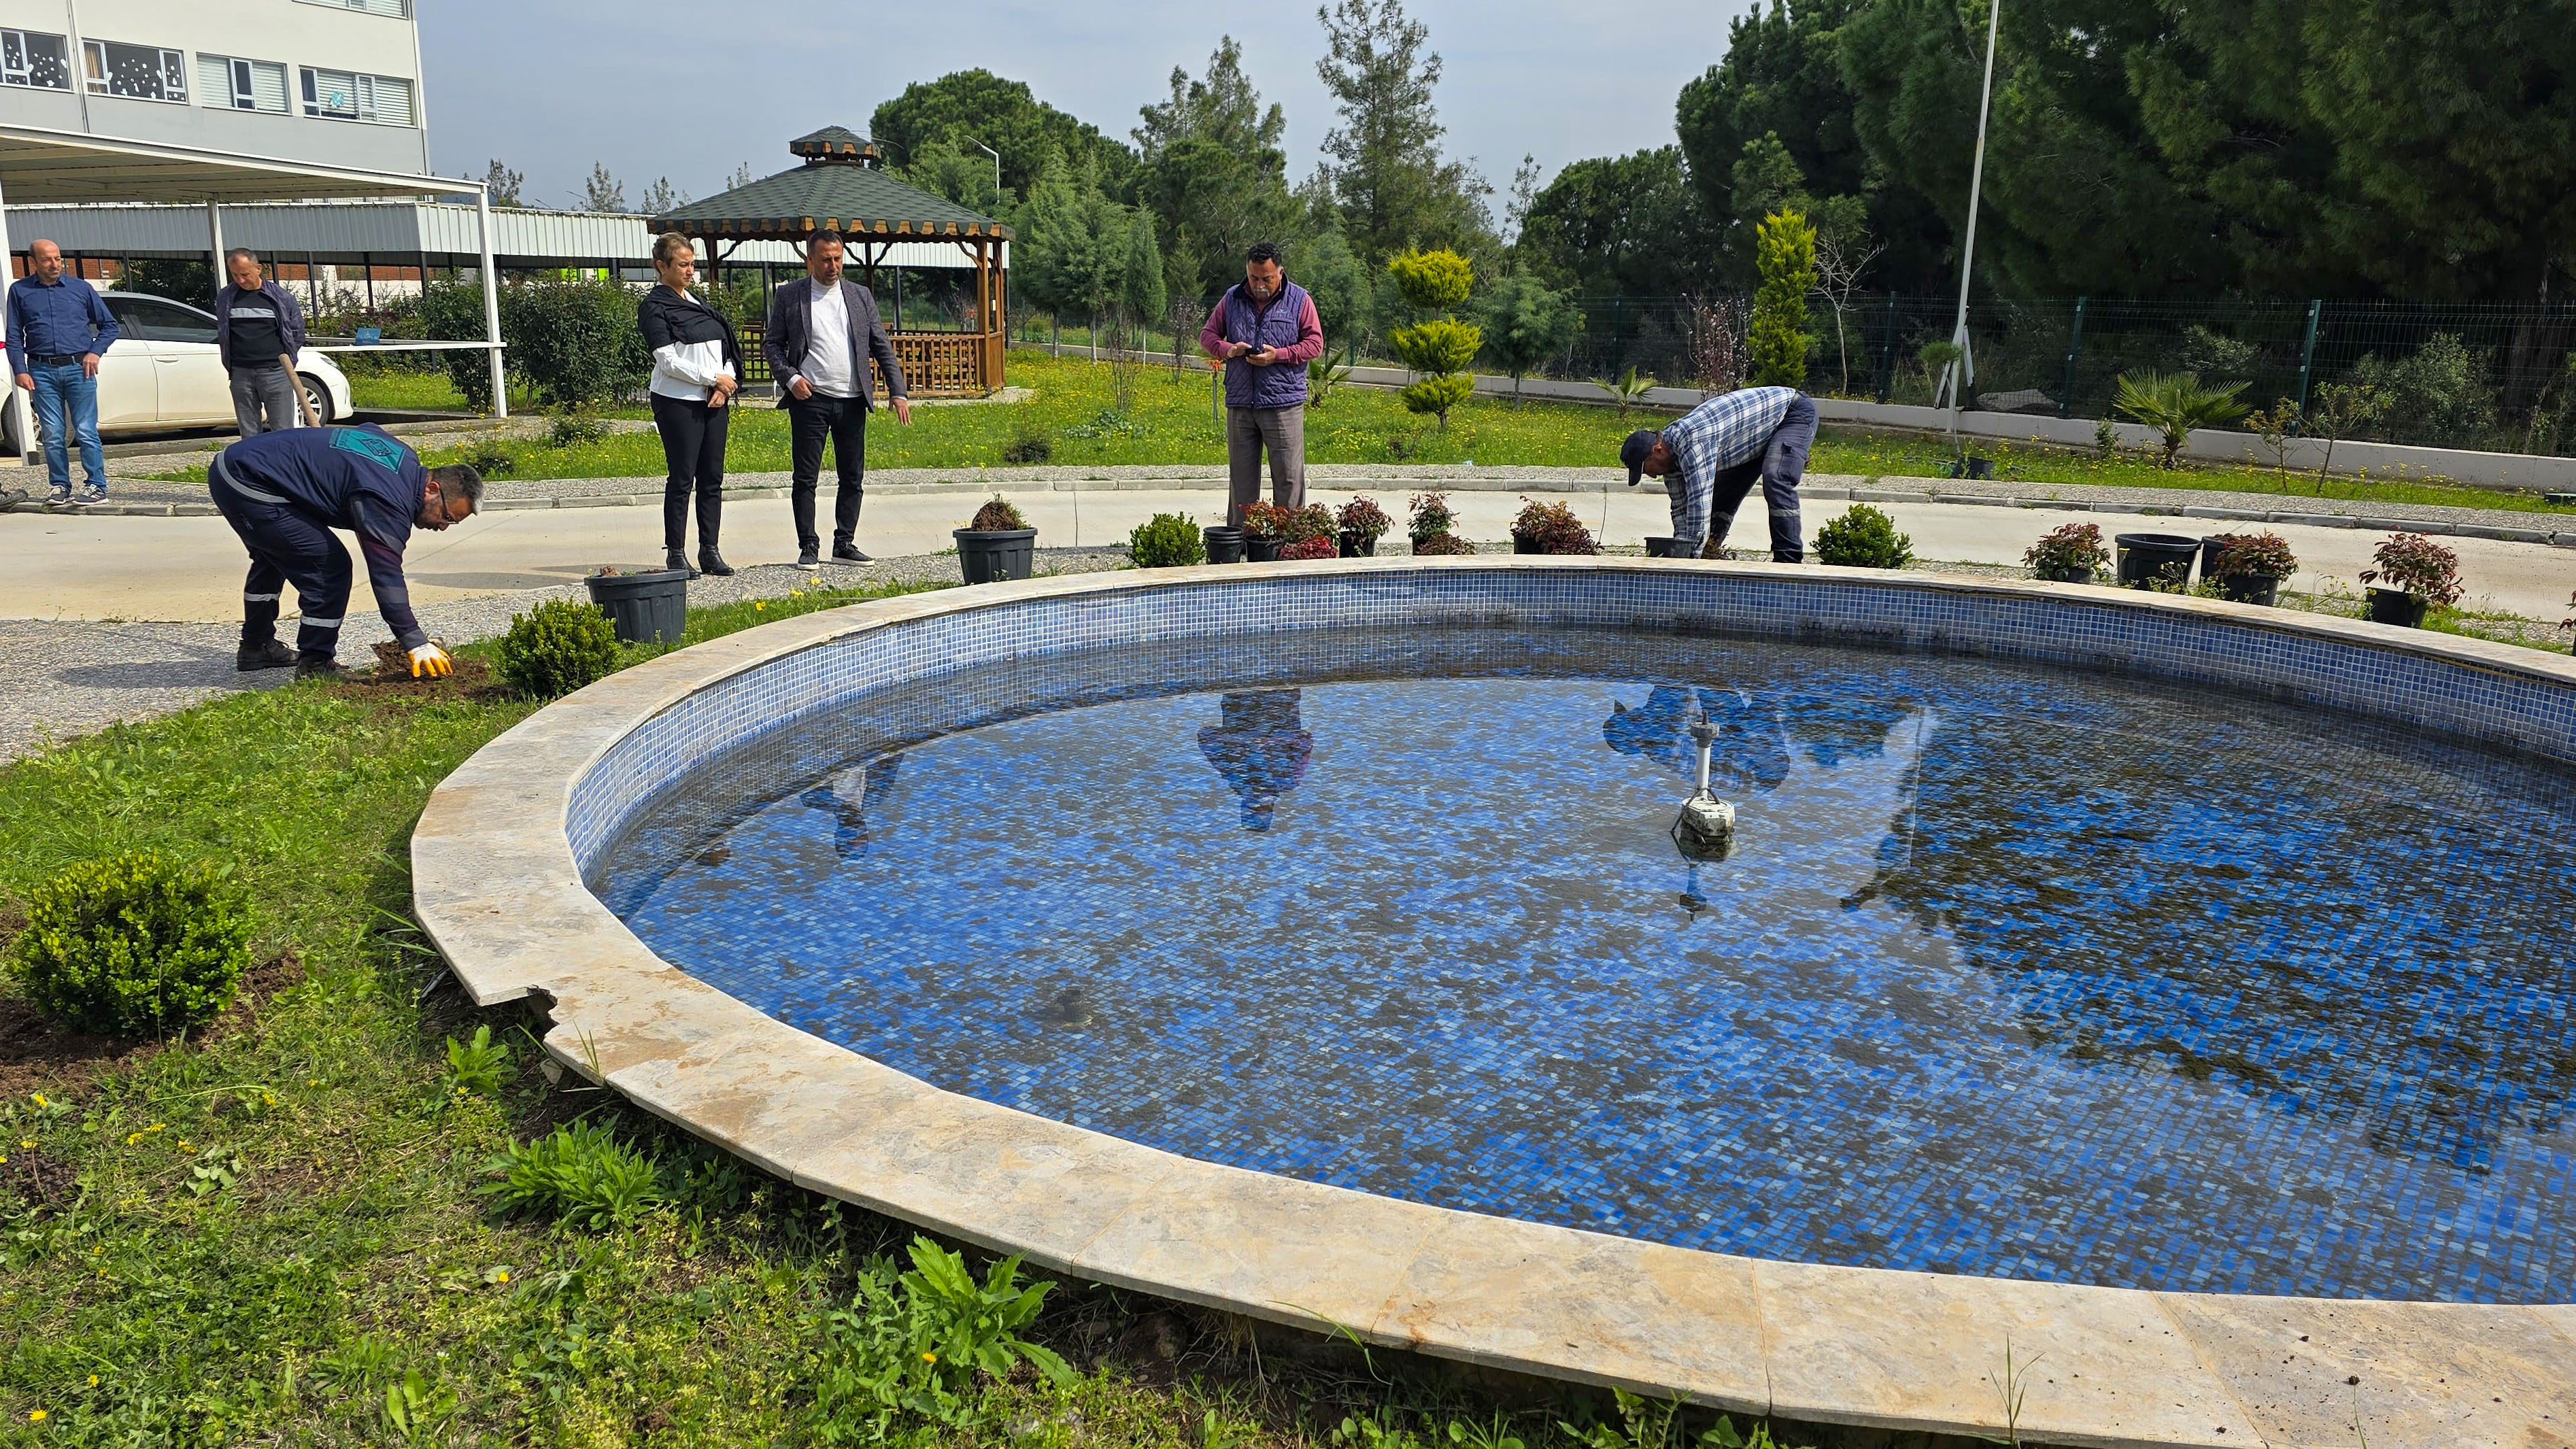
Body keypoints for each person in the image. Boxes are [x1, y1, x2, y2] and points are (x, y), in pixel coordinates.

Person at [207, 423, 480, 680]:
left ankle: (256, 647)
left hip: (242, 466)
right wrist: (414, 640)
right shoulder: (387, 502)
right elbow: (386, 576)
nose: (443, 527)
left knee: (273, 557)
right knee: (329, 567)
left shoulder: (405, 457)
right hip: (247, 482)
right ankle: (315, 663)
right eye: (447, 517)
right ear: (432, 490)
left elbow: (368, 430)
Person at [762, 229, 911, 568]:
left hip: (853, 400)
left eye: (838, 258)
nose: (833, 265)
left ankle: (844, 543)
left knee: (852, 477)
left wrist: (897, 391)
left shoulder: (860, 296)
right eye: (826, 259)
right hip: (810, 399)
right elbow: (772, 346)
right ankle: (808, 546)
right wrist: (791, 378)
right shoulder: (791, 296)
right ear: (810, 259)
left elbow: (881, 346)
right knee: (806, 477)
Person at [639, 233, 743, 577]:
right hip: (677, 402)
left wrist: (725, 385)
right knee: (682, 478)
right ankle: (677, 554)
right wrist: (712, 380)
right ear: (661, 266)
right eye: (682, 265)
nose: (690, 271)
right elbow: (668, 360)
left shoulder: (698, 305)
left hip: (715, 400)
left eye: (692, 264)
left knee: (712, 479)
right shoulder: (654, 307)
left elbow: (724, 348)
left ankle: (710, 551)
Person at [1200, 242, 1324, 526]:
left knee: (1288, 478)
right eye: (1254, 277)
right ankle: (1243, 541)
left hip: (1283, 404)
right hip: (1242, 404)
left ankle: (1288, 541)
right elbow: (1207, 335)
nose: (1259, 284)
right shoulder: (1232, 298)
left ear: (1280, 272)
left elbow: (1315, 344)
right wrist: (1228, 349)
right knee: (1241, 480)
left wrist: (1277, 356)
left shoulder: (1300, 300)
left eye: (1266, 278)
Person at [1621, 385, 1818, 562]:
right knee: (1720, 499)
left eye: (1646, 469)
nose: (1652, 476)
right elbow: (1681, 509)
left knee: (1776, 477)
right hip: (1754, 436)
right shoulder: (1671, 463)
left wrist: (1691, 561)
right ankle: (1711, 553)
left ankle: (1788, 560)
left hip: (1791, 414)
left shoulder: (1692, 441)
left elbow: (1699, 503)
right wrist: (1680, 552)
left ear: (1657, 451)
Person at [6, 239, 119, 506]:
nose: (55, 264)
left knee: (85, 429)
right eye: (47, 259)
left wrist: (95, 351)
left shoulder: (80, 288)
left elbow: (110, 325)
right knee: (53, 432)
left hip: (79, 368)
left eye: (58, 258)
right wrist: (20, 370)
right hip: (41, 370)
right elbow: (13, 335)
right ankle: (60, 486)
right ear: (34, 262)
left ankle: (96, 486)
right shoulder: (20, 291)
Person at [213, 248, 309, 438]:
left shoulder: (281, 298)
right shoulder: (226, 297)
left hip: (276, 372)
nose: (240, 280)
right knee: (249, 434)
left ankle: (283, 466)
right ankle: (253, 466)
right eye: (235, 275)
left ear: (258, 269)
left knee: (283, 431)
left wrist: (286, 360)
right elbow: (224, 331)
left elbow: (297, 333)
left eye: (245, 274)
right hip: (241, 373)